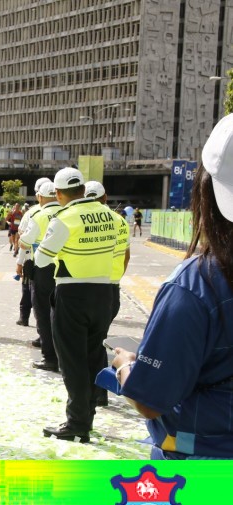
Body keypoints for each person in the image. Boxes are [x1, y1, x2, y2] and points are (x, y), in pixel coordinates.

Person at [112, 114, 233, 459]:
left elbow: (150, 402)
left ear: (206, 192)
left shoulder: (197, 286)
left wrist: (124, 366)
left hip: (204, 464)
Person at [34, 167, 117, 443]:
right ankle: (88, 415)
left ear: (58, 194)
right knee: (93, 356)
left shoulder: (64, 218)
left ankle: (77, 423)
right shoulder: (110, 215)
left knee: (72, 360)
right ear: (82, 189)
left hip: (72, 293)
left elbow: (42, 259)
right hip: (104, 292)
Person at [84, 180, 130, 407]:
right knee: (98, 341)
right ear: (105, 198)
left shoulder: (82, 219)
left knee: (88, 344)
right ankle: (98, 392)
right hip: (111, 288)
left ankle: (92, 393)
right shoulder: (119, 221)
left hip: (88, 287)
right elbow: (126, 256)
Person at [20, 180, 61, 371]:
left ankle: (50, 358)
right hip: (65, 270)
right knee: (62, 314)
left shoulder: (39, 215)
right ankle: (64, 355)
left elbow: (25, 241)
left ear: (40, 197)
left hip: (43, 269)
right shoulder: (66, 213)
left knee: (43, 313)